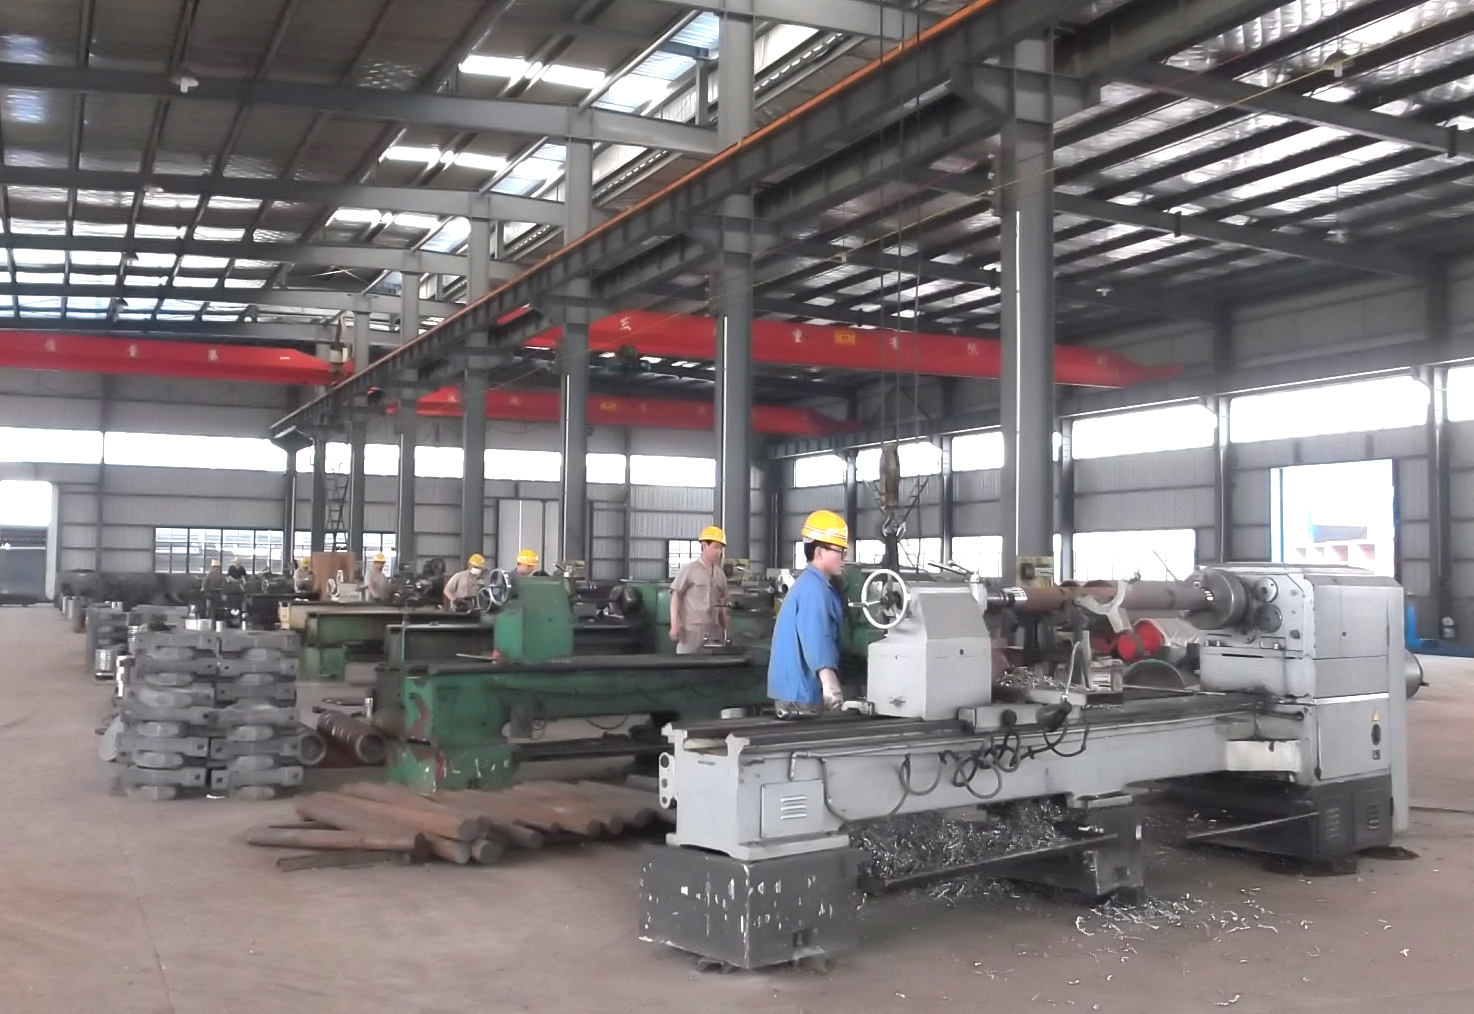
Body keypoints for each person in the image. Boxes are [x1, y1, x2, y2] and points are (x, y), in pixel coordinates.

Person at [768, 510, 848, 717]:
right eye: (840, 551)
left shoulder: (811, 584)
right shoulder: (814, 589)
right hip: (800, 693)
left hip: (794, 689)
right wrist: (829, 683)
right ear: (819, 552)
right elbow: (816, 639)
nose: (844, 558)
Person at [669, 526, 729, 654]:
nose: (718, 552)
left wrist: (725, 628)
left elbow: (721, 604)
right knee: (687, 664)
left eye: (720, 548)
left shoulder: (720, 575)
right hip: (690, 631)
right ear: (704, 546)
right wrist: (674, 626)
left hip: (713, 631)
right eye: (715, 547)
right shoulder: (689, 570)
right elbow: (676, 596)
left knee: (711, 665)